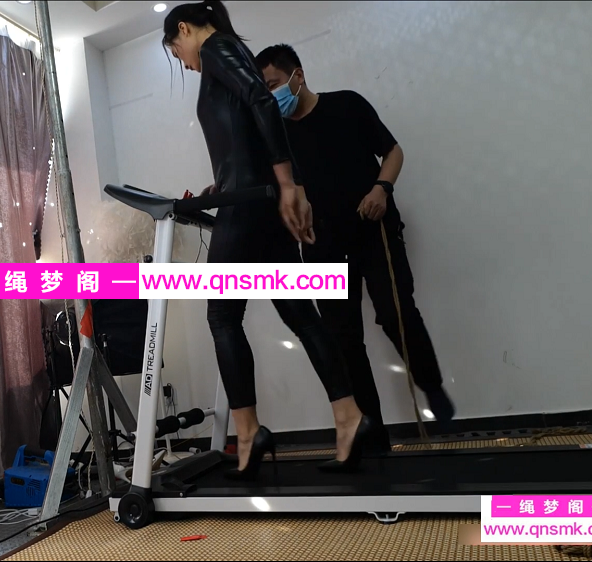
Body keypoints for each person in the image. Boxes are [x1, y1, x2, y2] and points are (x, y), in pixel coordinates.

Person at [162, 0, 378, 478]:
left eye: (176, 50)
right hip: (258, 202)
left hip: (249, 207)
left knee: (222, 316)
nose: (183, 61)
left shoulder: (216, 49)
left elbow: (262, 101)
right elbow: (253, 128)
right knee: (299, 313)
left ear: (185, 29)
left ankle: (248, 433)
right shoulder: (229, 54)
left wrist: (287, 184)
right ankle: (349, 417)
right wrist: (245, 184)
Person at [254, 44, 456, 454]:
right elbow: (275, 187)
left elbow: (393, 151)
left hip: (372, 231)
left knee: (396, 313)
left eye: (274, 85)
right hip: (321, 246)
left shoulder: (347, 105)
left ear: (298, 76)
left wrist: (382, 188)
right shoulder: (276, 140)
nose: (272, 96)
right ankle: (371, 431)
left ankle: (431, 386)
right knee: (344, 340)